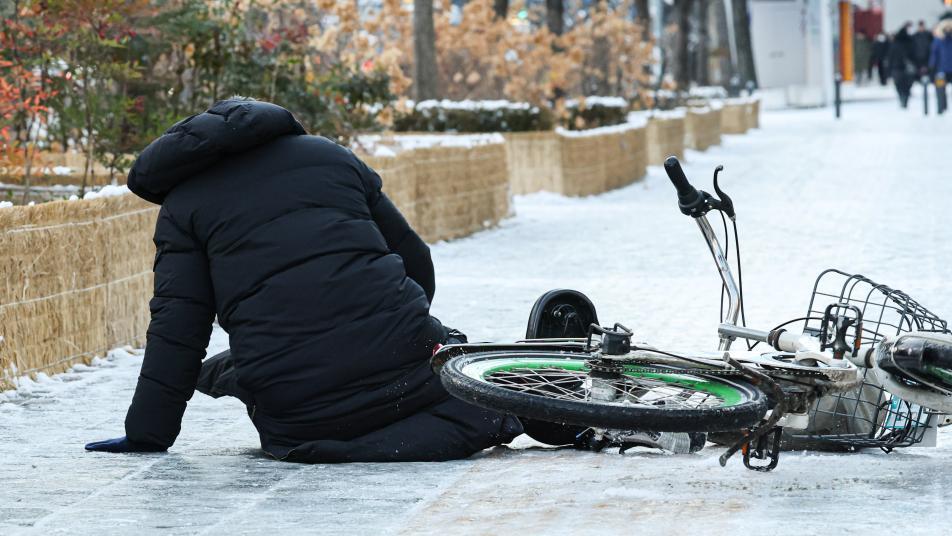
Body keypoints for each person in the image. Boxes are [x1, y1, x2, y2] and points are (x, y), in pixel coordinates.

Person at [83, 98, 523, 462]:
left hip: (304, 417)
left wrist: (147, 434)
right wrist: (388, 329)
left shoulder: (183, 207)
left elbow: (177, 331)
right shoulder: (330, 156)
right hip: (409, 377)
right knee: (465, 370)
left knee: (239, 363)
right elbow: (415, 258)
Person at [889, 23, 917, 108]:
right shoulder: (910, 42)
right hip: (905, 67)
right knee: (907, 85)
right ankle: (904, 98)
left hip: (897, 67)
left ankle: (903, 97)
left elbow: (890, 56)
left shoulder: (895, 43)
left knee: (900, 85)